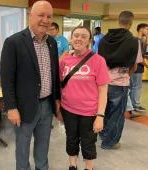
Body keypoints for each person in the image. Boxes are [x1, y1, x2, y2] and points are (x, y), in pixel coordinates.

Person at [0, 1, 60, 170]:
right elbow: (7, 79)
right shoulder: (14, 42)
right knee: (23, 146)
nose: (45, 20)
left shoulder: (52, 43)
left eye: (49, 17)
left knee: (43, 145)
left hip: (47, 105)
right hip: (24, 106)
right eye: (41, 15)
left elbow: (54, 73)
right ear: (30, 16)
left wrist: (56, 98)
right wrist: (11, 107)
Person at [58, 26, 109, 170]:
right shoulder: (64, 61)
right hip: (68, 109)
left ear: (89, 41)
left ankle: (88, 168)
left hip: (90, 111)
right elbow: (61, 86)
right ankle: (72, 165)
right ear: (71, 39)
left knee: (88, 142)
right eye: (76, 35)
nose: (79, 39)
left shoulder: (98, 60)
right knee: (71, 139)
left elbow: (103, 89)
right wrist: (59, 108)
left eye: (83, 36)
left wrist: (100, 115)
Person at [98, 11, 143, 149]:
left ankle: (103, 134)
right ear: (131, 23)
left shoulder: (104, 39)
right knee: (116, 115)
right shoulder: (134, 41)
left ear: (118, 21)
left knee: (103, 111)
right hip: (120, 82)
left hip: (103, 82)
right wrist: (126, 75)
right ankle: (109, 142)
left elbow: (98, 61)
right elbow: (134, 66)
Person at [129, 23, 148, 113]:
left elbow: (142, 55)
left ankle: (132, 105)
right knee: (137, 87)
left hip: (134, 68)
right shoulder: (138, 41)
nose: (147, 31)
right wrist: (147, 65)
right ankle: (135, 105)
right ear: (141, 30)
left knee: (133, 86)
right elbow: (139, 58)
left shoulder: (139, 41)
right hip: (137, 68)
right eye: (146, 29)